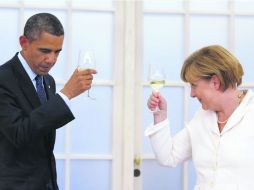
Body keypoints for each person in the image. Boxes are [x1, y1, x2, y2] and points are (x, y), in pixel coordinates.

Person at [0, 13, 97, 190]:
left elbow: (41, 136)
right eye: (45, 51)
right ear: (24, 42)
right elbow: (19, 133)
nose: (52, 60)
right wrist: (66, 94)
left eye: (57, 52)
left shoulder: (47, 81)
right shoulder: (3, 79)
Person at [146, 45, 254, 190]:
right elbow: (168, 157)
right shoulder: (202, 118)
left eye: (194, 85)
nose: (192, 94)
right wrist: (160, 115)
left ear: (215, 82)